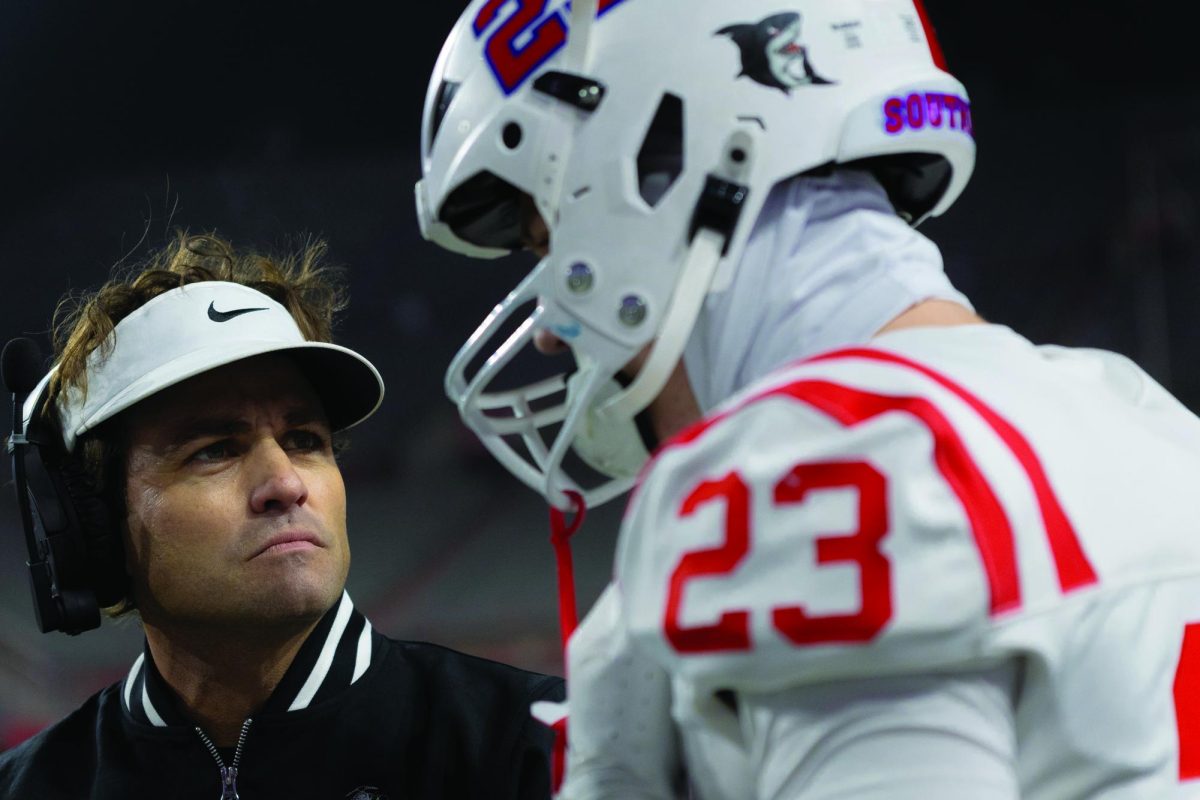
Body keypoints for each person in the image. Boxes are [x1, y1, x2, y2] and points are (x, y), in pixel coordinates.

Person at [415, 0, 1200, 797]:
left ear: (648, 172)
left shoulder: (812, 466)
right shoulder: (1145, 414)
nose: (550, 329)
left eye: (549, 241)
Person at [0, 233, 564, 799]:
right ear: (94, 517)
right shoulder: (30, 789)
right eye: (215, 450)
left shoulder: (544, 749)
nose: (286, 484)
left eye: (304, 440)